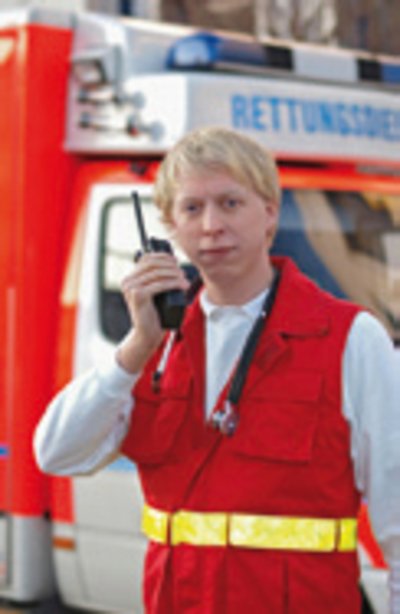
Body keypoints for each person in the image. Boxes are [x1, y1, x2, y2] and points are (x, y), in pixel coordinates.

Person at [34, 126, 400, 613]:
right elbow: (56, 454)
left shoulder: (352, 338)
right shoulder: (154, 346)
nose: (211, 225)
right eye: (192, 208)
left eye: (230, 203)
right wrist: (137, 345)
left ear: (269, 212)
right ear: (170, 226)